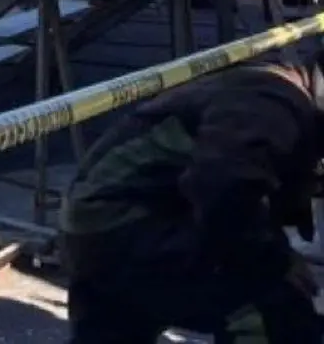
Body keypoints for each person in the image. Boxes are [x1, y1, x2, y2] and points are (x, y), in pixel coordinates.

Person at [61, 58, 324, 342]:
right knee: (272, 302)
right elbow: (225, 192)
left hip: (103, 225)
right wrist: (279, 262)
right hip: (126, 226)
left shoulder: (274, 94)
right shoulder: (273, 104)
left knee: (113, 328)